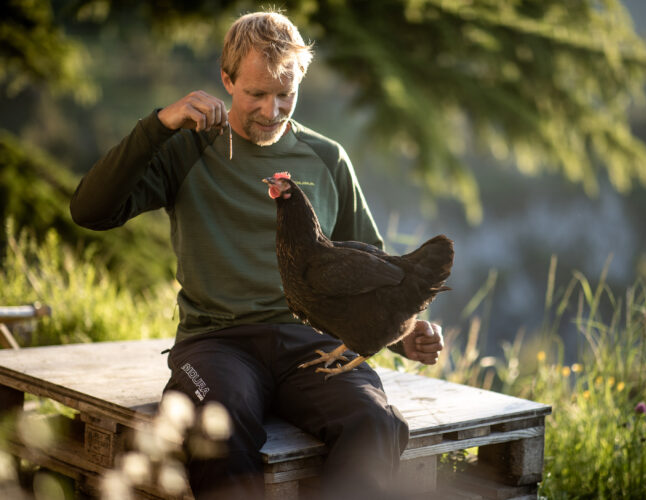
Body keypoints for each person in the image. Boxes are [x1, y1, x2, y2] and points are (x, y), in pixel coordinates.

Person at [70, 10, 444, 499]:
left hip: (314, 344)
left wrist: (404, 334)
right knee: (218, 427)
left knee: (375, 423)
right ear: (227, 79)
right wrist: (159, 125)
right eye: (256, 94)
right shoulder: (186, 149)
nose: (272, 110)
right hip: (217, 344)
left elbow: (370, 274)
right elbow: (90, 211)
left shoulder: (327, 157)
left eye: (285, 94)